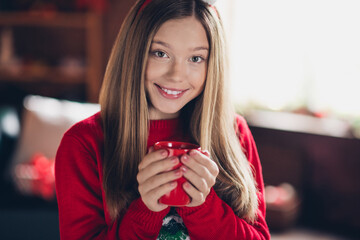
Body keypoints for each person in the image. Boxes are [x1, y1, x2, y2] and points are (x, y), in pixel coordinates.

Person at [55, 0, 270, 239]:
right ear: (133, 53)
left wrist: (203, 206)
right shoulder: (83, 143)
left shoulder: (233, 131)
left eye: (196, 58)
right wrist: (145, 211)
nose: (176, 75)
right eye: (161, 53)